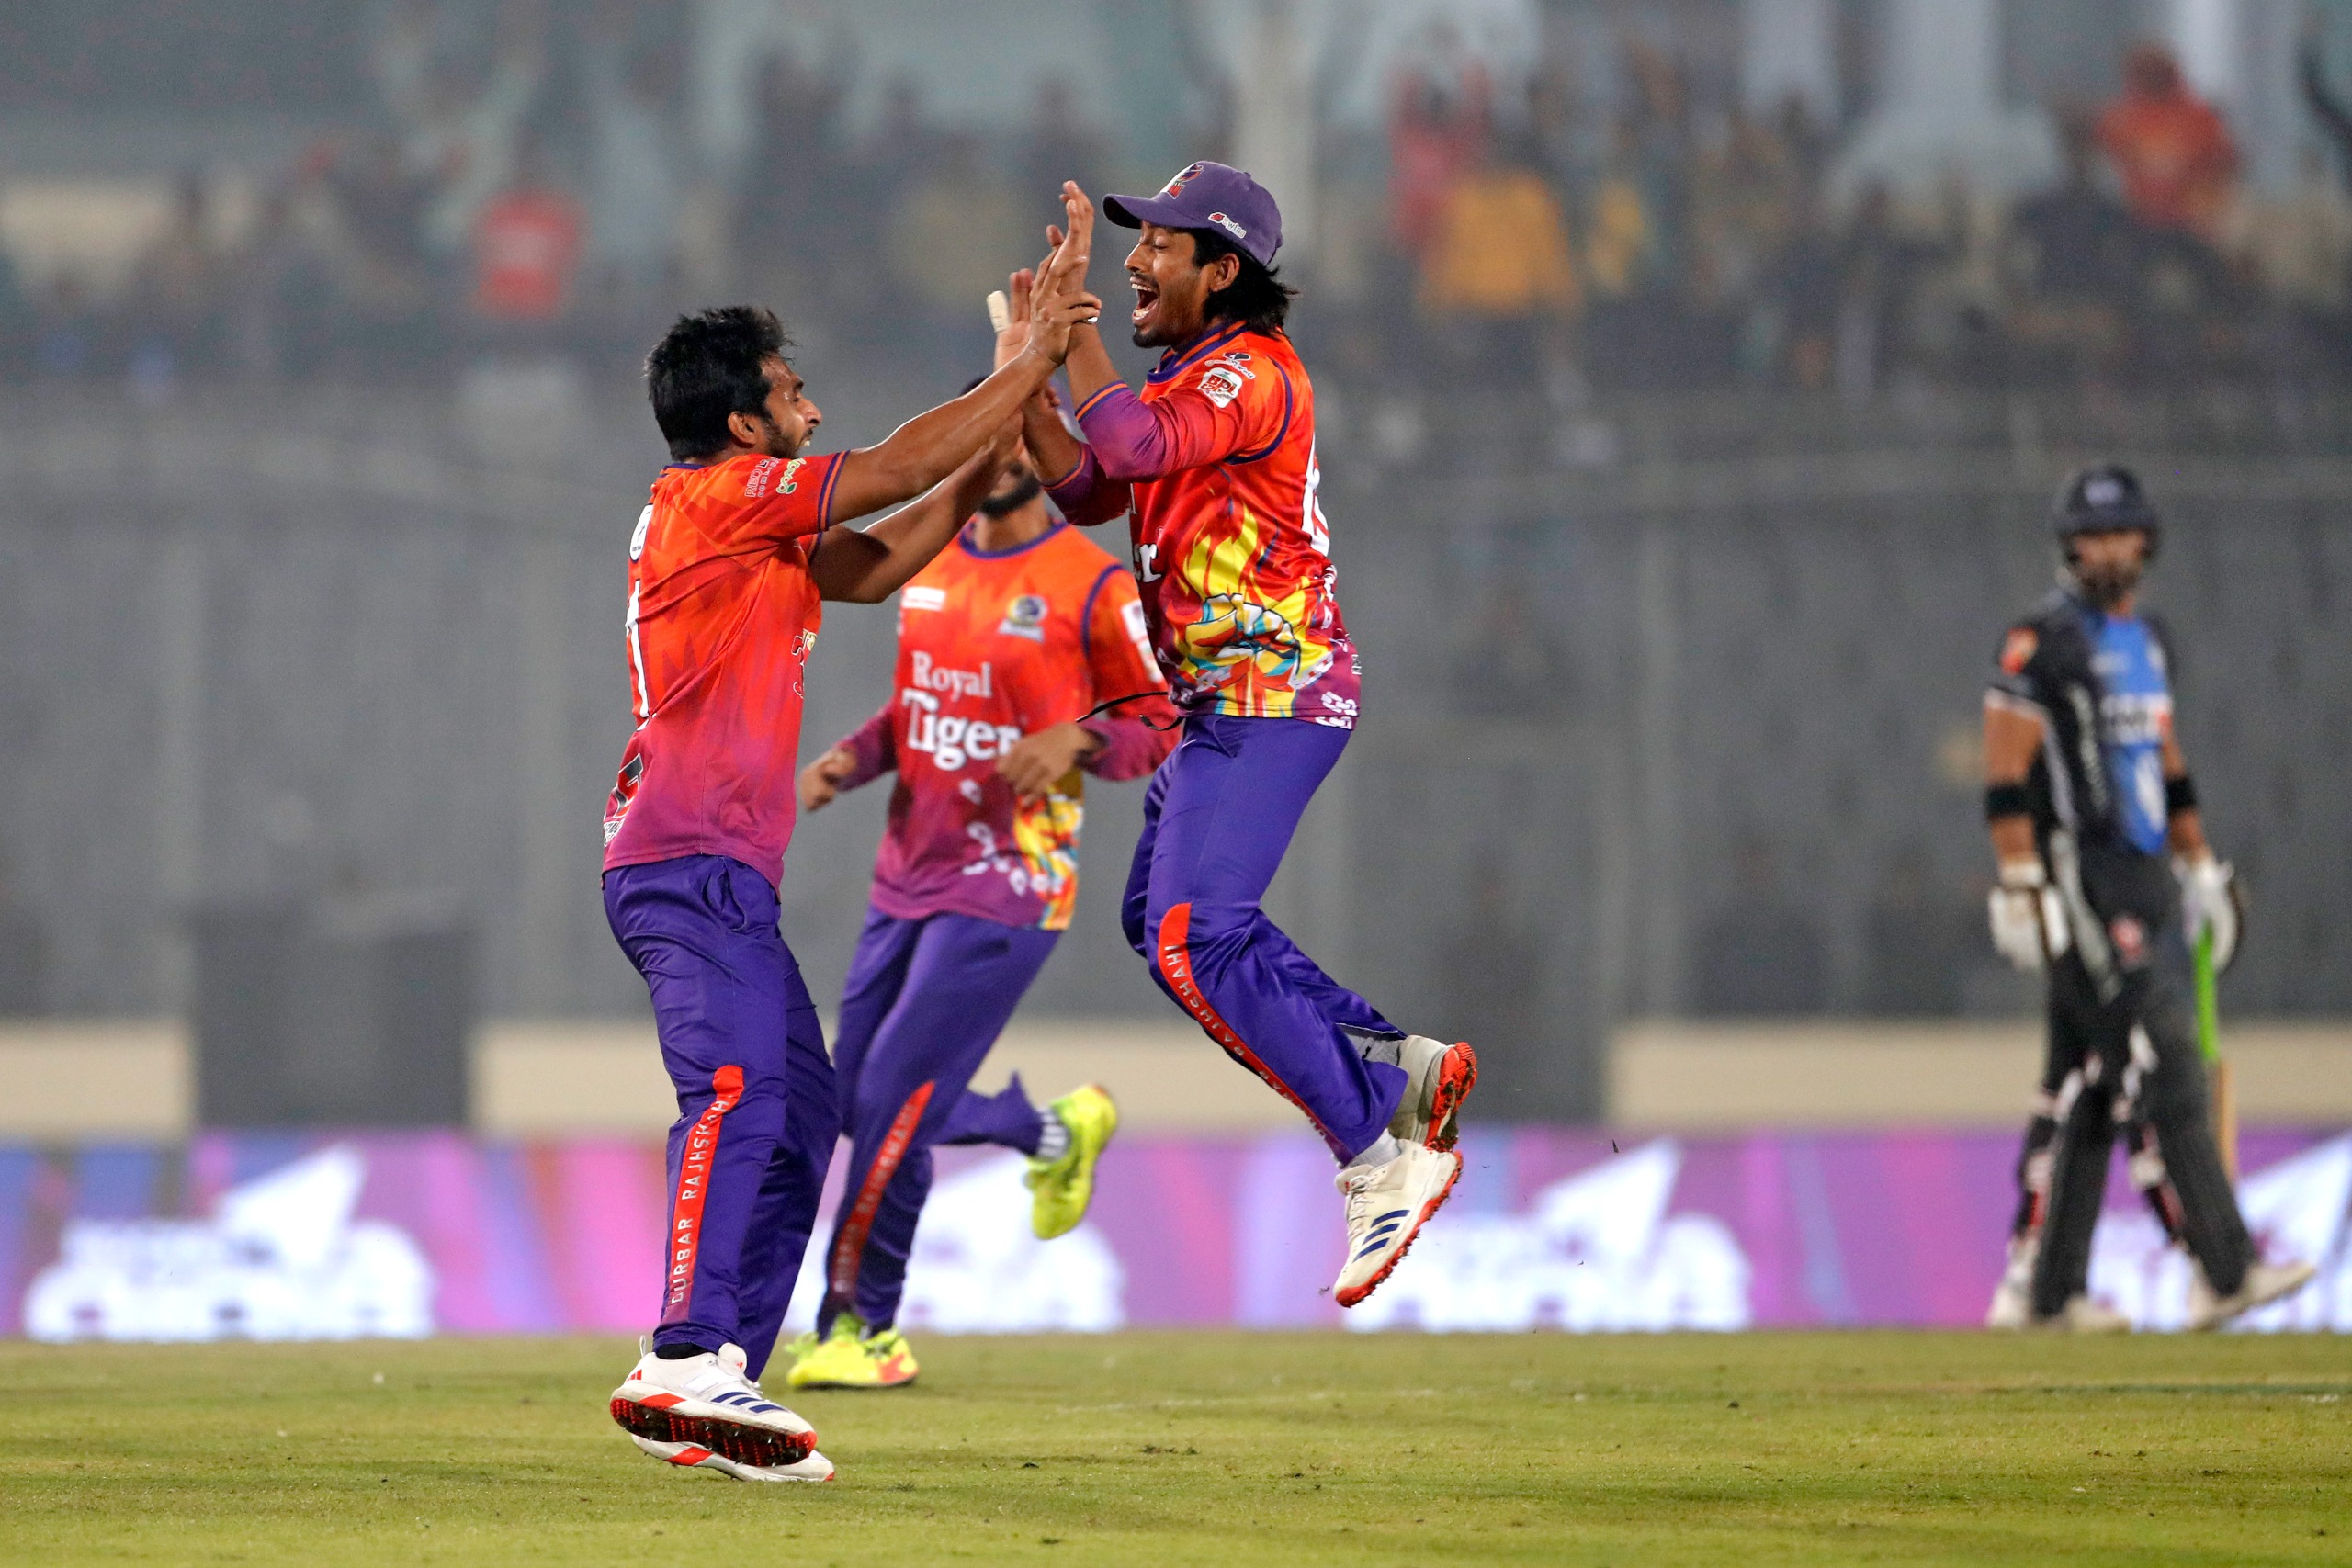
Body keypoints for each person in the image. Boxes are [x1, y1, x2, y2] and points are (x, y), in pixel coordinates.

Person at [600, 221, 1100, 1483]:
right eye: (790, 389)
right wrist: (1027, 359)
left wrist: (1016, 396)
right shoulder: (721, 499)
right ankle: (682, 1349)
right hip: (682, 862)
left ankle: (723, 1391)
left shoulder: (743, 527)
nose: (811, 407)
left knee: (807, 1112)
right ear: (748, 424)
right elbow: (881, 474)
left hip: (723, 874)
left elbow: (878, 560)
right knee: (732, 1094)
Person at [1016, 164, 1476, 1309]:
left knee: (1189, 936)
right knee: (1160, 924)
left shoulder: (1251, 373)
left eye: (1158, 245)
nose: (1134, 260)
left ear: (1222, 271)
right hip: (1223, 706)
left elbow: (1116, 446)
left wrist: (1068, 334)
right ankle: (1389, 1060)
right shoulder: (1192, 374)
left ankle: (1380, 1152)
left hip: (1275, 694)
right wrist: (1029, 366)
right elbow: (1084, 486)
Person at [784, 376, 1177, 1391]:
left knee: (889, 1103)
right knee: (852, 1102)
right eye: (985, 437)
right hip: (904, 874)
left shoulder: (1093, 585)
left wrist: (1077, 737)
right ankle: (1050, 1130)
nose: (997, 457)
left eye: (1016, 439)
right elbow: (917, 707)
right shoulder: (932, 568)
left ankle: (857, 1328)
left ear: (1037, 453)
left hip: (1011, 881)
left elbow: (1156, 723)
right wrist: (846, 760)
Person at [1979, 466, 2314, 1332]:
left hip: (2143, 877)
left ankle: (2043, 1292)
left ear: (2147, 541)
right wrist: (2021, 880)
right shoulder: (2038, 641)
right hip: (2077, 878)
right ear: (2069, 544)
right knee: (2164, 1054)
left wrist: (2199, 862)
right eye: (2094, 534)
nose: (2109, 548)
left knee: (2086, 1083)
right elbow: (2003, 770)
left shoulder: (2149, 640)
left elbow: (2163, 755)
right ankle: (2224, 1267)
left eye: (2125, 531)